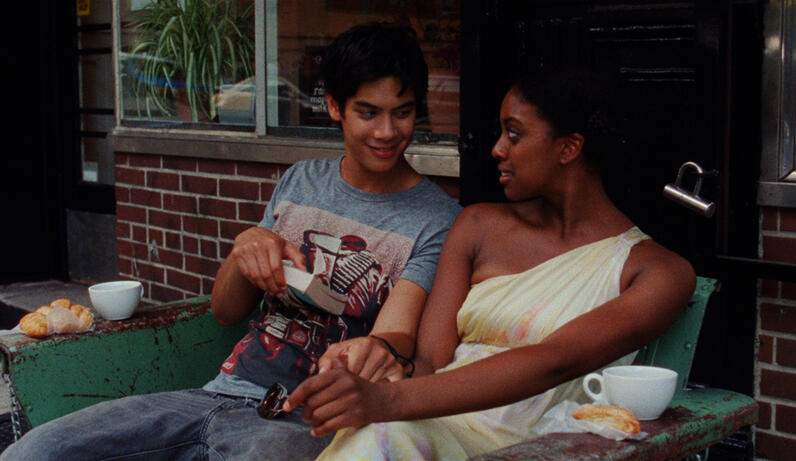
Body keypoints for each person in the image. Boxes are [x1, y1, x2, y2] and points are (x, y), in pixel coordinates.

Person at [1, 23, 460, 461]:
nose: (387, 132)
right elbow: (226, 311)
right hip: (217, 394)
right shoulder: (302, 181)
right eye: (368, 112)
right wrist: (247, 251)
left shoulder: (435, 219)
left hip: (303, 424)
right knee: (39, 449)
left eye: (401, 113)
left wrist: (378, 354)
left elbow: (396, 334)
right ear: (336, 107)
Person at [285, 68, 697, 460]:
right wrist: (375, 370)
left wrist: (386, 400)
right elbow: (429, 361)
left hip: (536, 447)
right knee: (381, 435)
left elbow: (557, 359)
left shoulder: (656, 273)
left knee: (384, 432)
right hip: (429, 425)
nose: (497, 149)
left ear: (568, 148)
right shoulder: (478, 226)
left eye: (514, 134)